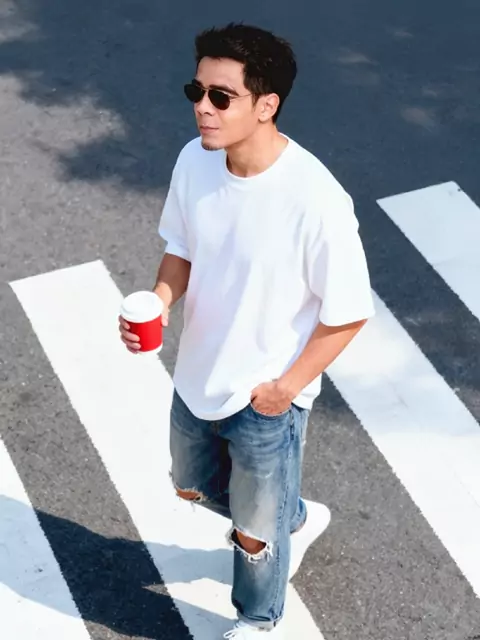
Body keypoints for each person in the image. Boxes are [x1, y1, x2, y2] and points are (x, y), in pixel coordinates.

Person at [119, 22, 375, 639]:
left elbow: (348, 311)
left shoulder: (315, 200)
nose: (202, 108)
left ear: (266, 105)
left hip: (268, 395)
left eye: (221, 96)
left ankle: (259, 620)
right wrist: (159, 300)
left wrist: (286, 388)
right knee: (190, 485)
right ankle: (294, 516)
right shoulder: (195, 161)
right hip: (199, 372)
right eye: (196, 91)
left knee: (254, 533)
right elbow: (182, 247)